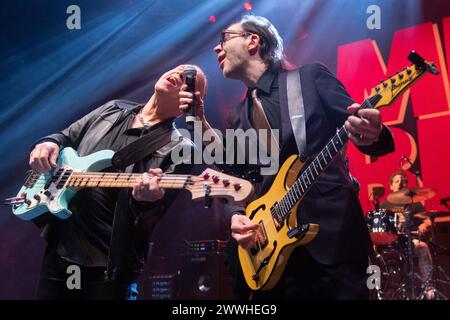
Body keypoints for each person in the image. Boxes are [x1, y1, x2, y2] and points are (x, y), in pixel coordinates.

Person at [180, 15, 394, 299]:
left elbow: (364, 130)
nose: (216, 50)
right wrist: (237, 215)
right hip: (273, 253)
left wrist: (373, 132)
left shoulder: (309, 78)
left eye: (224, 39)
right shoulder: (237, 116)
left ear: (253, 41)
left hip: (331, 240)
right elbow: (234, 178)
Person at [29, 64, 207, 299]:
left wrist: (145, 200)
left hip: (107, 270)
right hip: (61, 250)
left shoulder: (181, 148)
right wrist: (49, 142)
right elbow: (67, 136)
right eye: (178, 69)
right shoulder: (112, 108)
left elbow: (149, 218)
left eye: (188, 78)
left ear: (192, 100)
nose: (178, 74)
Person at [380, 170, 435, 299]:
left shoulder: (413, 203)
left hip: (410, 241)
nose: (399, 184)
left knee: (422, 246)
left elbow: (427, 220)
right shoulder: (384, 205)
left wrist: (423, 225)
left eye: (402, 182)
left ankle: (428, 286)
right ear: (391, 186)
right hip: (391, 244)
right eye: (396, 181)